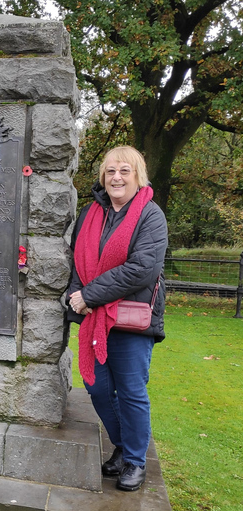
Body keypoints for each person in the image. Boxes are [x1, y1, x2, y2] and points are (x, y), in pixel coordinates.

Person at [67, 146, 168, 491]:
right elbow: (77, 261)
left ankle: (136, 461)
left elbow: (142, 269)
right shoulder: (90, 213)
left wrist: (90, 295)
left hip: (131, 321)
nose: (116, 178)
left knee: (130, 392)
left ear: (138, 176)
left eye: (125, 171)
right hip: (95, 318)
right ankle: (124, 448)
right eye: (110, 171)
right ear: (102, 177)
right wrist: (75, 297)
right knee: (97, 388)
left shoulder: (150, 215)